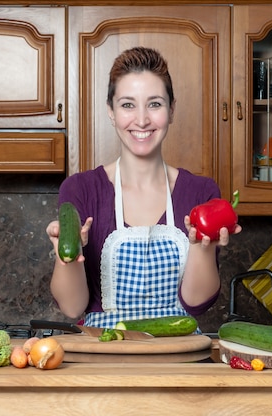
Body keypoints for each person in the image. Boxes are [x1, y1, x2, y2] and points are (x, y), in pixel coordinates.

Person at [46, 46, 241, 328]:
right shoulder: (80, 190)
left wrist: (201, 247)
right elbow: (73, 307)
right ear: (111, 112)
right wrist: (69, 257)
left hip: (177, 355)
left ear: (171, 110)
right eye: (127, 105)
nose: (141, 120)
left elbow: (197, 303)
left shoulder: (201, 193)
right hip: (103, 358)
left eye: (155, 104)